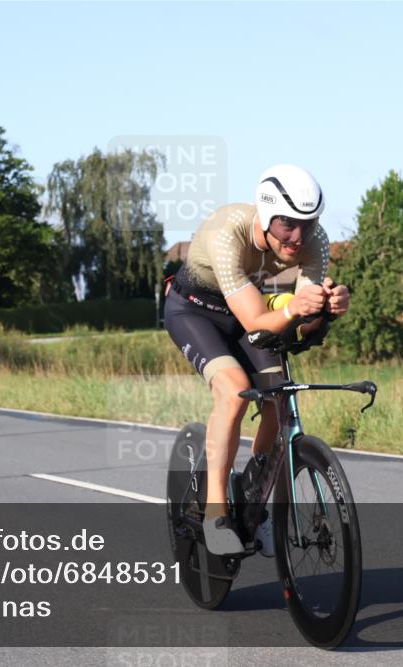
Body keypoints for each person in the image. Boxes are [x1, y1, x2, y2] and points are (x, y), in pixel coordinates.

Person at [164, 164, 351, 555]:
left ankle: (254, 504)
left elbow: (301, 324)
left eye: (308, 223)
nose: (298, 237)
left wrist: (327, 309)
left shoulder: (315, 242)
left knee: (278, 401)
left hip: (250, 310)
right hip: (195, 312)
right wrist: (296, 308)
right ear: (265, 215)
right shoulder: (227, 233)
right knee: (234, 392)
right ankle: (215, 513)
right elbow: (256, 320)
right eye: (287, 224)